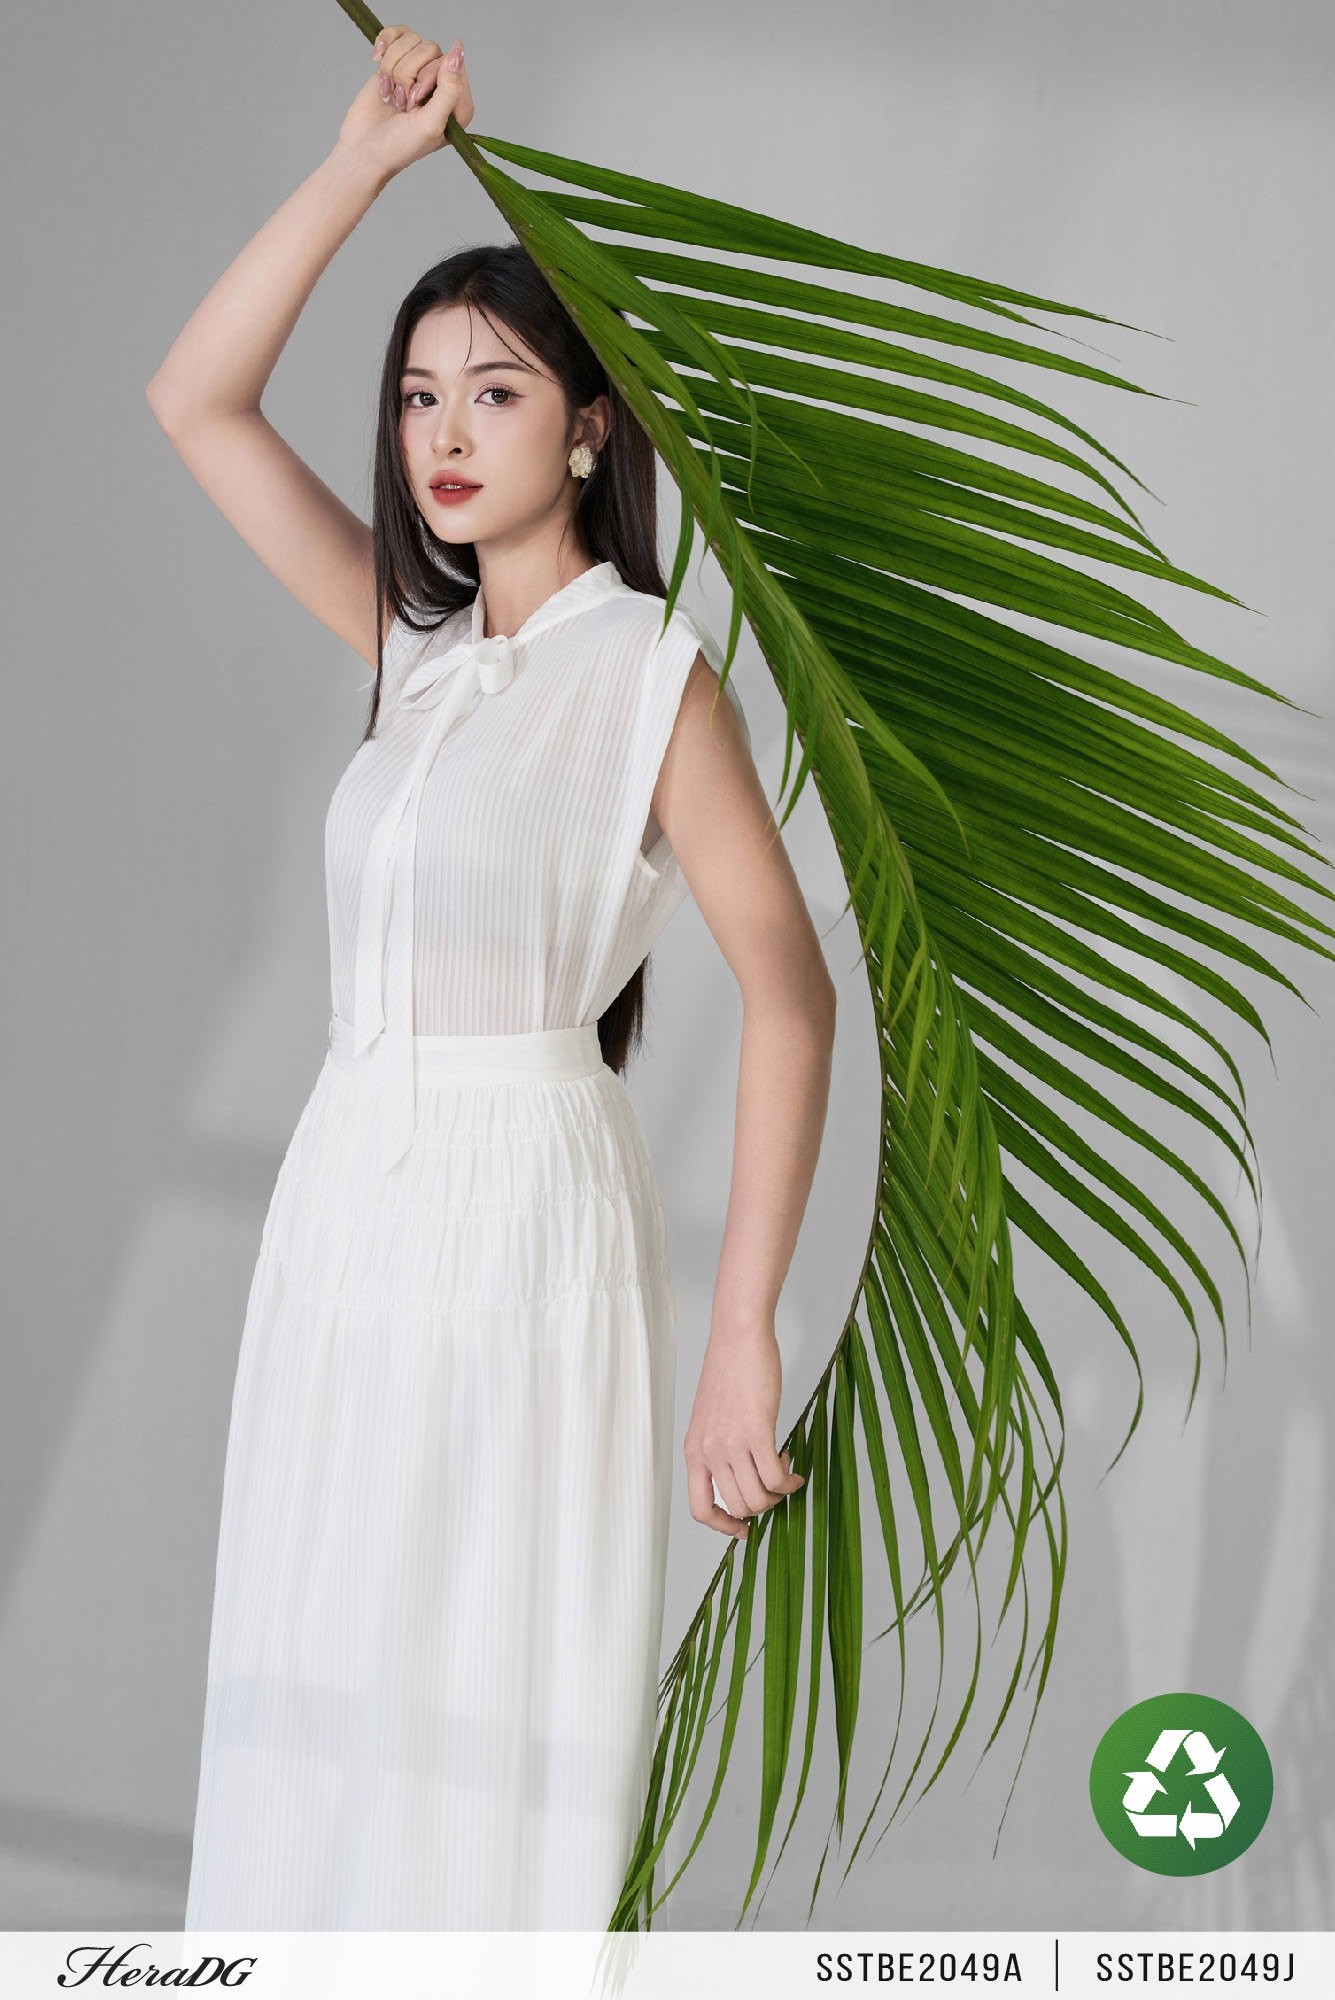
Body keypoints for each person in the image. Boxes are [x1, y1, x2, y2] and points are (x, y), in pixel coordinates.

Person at [146, 22, 836, 1932]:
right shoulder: (416, 650)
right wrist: (361, 168)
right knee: (313, 1683)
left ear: (590, 428)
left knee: (486, 1693)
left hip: (528, 1215)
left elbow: (791, 993)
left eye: (499, 393)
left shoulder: (650, 680)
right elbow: (196, 400)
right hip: (343, 1205)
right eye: (418, 397)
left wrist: (743, 1330)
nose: (443, 437)